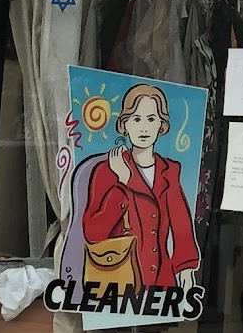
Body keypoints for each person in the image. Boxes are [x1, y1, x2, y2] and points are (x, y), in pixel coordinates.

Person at [80, 82, 200, 292]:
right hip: (119, 279)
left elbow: (181, 223)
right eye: (136, 119)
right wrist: (122, 184)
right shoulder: (107, 170)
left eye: (151, 119)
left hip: (161, 282)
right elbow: (93, 232)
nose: (144, 127)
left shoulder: (169, 171)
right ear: (125, 124)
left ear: (161, 125)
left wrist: (186, 267)